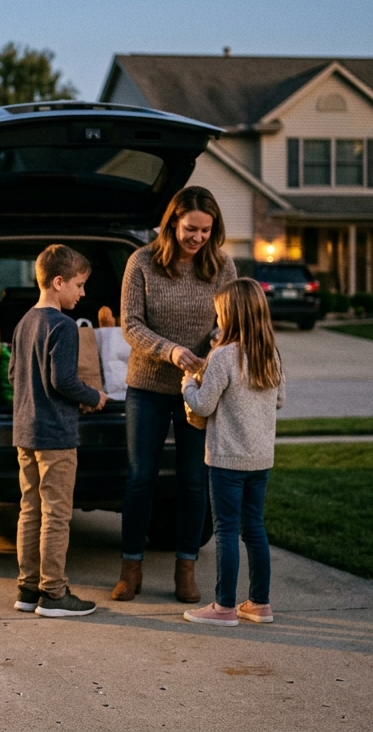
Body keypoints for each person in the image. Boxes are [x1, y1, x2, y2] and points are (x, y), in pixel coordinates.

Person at [114, 186, 236, 603]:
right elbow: (130, 325)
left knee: (192, 480)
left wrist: (214, 343)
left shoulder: (221, 267)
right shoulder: (142, 262)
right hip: (147, 386)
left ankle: (186, 568)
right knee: (140, 477)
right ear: (172, 223)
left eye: (206, 230)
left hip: (200, 389)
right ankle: (131, 567)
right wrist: (171, 351)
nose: (197, 237)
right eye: (190, 229)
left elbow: (229, 324)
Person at [179, 278, 285, 626]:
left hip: (226, 459)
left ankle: (224, 606)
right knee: (254, 528)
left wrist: (188, 384)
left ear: (232, 315)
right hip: (260, 458)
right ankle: (259, 603)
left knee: (226, 530)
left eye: (220, 313)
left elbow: (204, 405)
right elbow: (279, 400)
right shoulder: (270, 353)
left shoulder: (223, 356)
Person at [10, 244, 108, 617]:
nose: (82, 293)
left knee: (30, 509)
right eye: (79, 285)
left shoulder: (24, 323)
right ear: (58, 281)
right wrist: (93, 396)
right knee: (57, 513)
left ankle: (28, 587)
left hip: (25, 431)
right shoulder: (63, 326)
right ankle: (54, 593)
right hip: (56, 435)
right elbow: (63, 380)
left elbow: (14, 376)